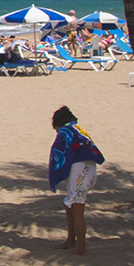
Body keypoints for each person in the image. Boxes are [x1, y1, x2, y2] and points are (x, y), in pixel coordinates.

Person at [48, 106, 105, 255]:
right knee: (70, 205)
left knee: (77, 209)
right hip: (89, 169)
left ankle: (81, 248)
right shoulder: (78, 128)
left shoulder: (65, 131)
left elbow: (57, 152)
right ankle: (71, 240)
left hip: (79, 171)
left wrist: (55, 175)